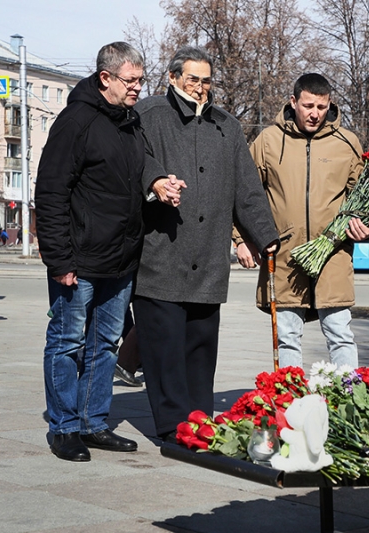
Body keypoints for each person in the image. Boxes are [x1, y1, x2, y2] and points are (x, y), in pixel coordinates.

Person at [133, 45, 279, 442]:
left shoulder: (226, 126)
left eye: (206, 80)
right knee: (164, 350)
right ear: (174, 78)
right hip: (161, 252)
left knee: (200, 348)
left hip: (208, 256)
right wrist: (154, 181)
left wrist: (265, 236)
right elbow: (134, 161)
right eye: (193, 79)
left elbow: (247, 189)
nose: (200, 87)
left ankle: (198, 420)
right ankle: (171, 424)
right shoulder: (147, 115)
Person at [34, 42, 147, 462]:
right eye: (130, 80)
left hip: (119, 261)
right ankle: (64, 427)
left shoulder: (131, 123)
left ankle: (93, 422)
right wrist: (59, 260)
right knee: (66, 343)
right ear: (106, 78)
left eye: (140, 80)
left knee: (105, 345)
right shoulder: (76, 121)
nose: (137, 87)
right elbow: (50, 192)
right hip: (78, 261)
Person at [237, 73, 369, 370]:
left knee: (340, 332)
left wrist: (368, 222)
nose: (315, 113)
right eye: (308, 105)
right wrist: (242, 238)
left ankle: (349, 400)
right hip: (284, 255)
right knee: (287, 336)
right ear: (294, 102)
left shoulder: (347, 142)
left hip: (333, 254)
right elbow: (244, 193)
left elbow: (364, 198)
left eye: (322, 106)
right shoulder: (268, 141)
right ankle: (290, 403)